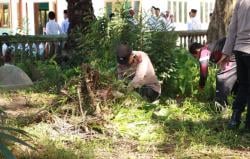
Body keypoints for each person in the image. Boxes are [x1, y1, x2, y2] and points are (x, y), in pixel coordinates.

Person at [219, 0, 250, 130]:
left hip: (239, 50)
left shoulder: (241, 1)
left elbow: (232, 28)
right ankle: (248, 124)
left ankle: (235, 119)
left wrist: (226, 52)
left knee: (244, 85)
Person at [189, 38, 238, 110]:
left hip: (235, 52)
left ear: (196, 52)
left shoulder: (203, 51)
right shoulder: (209, 48)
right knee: (236, 78)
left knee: (221, 78)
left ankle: (220, 107)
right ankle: (237, 102)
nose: (197, 58)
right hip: (237, 50)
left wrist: (201, 86)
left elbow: (203, 73)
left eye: (195, 56)